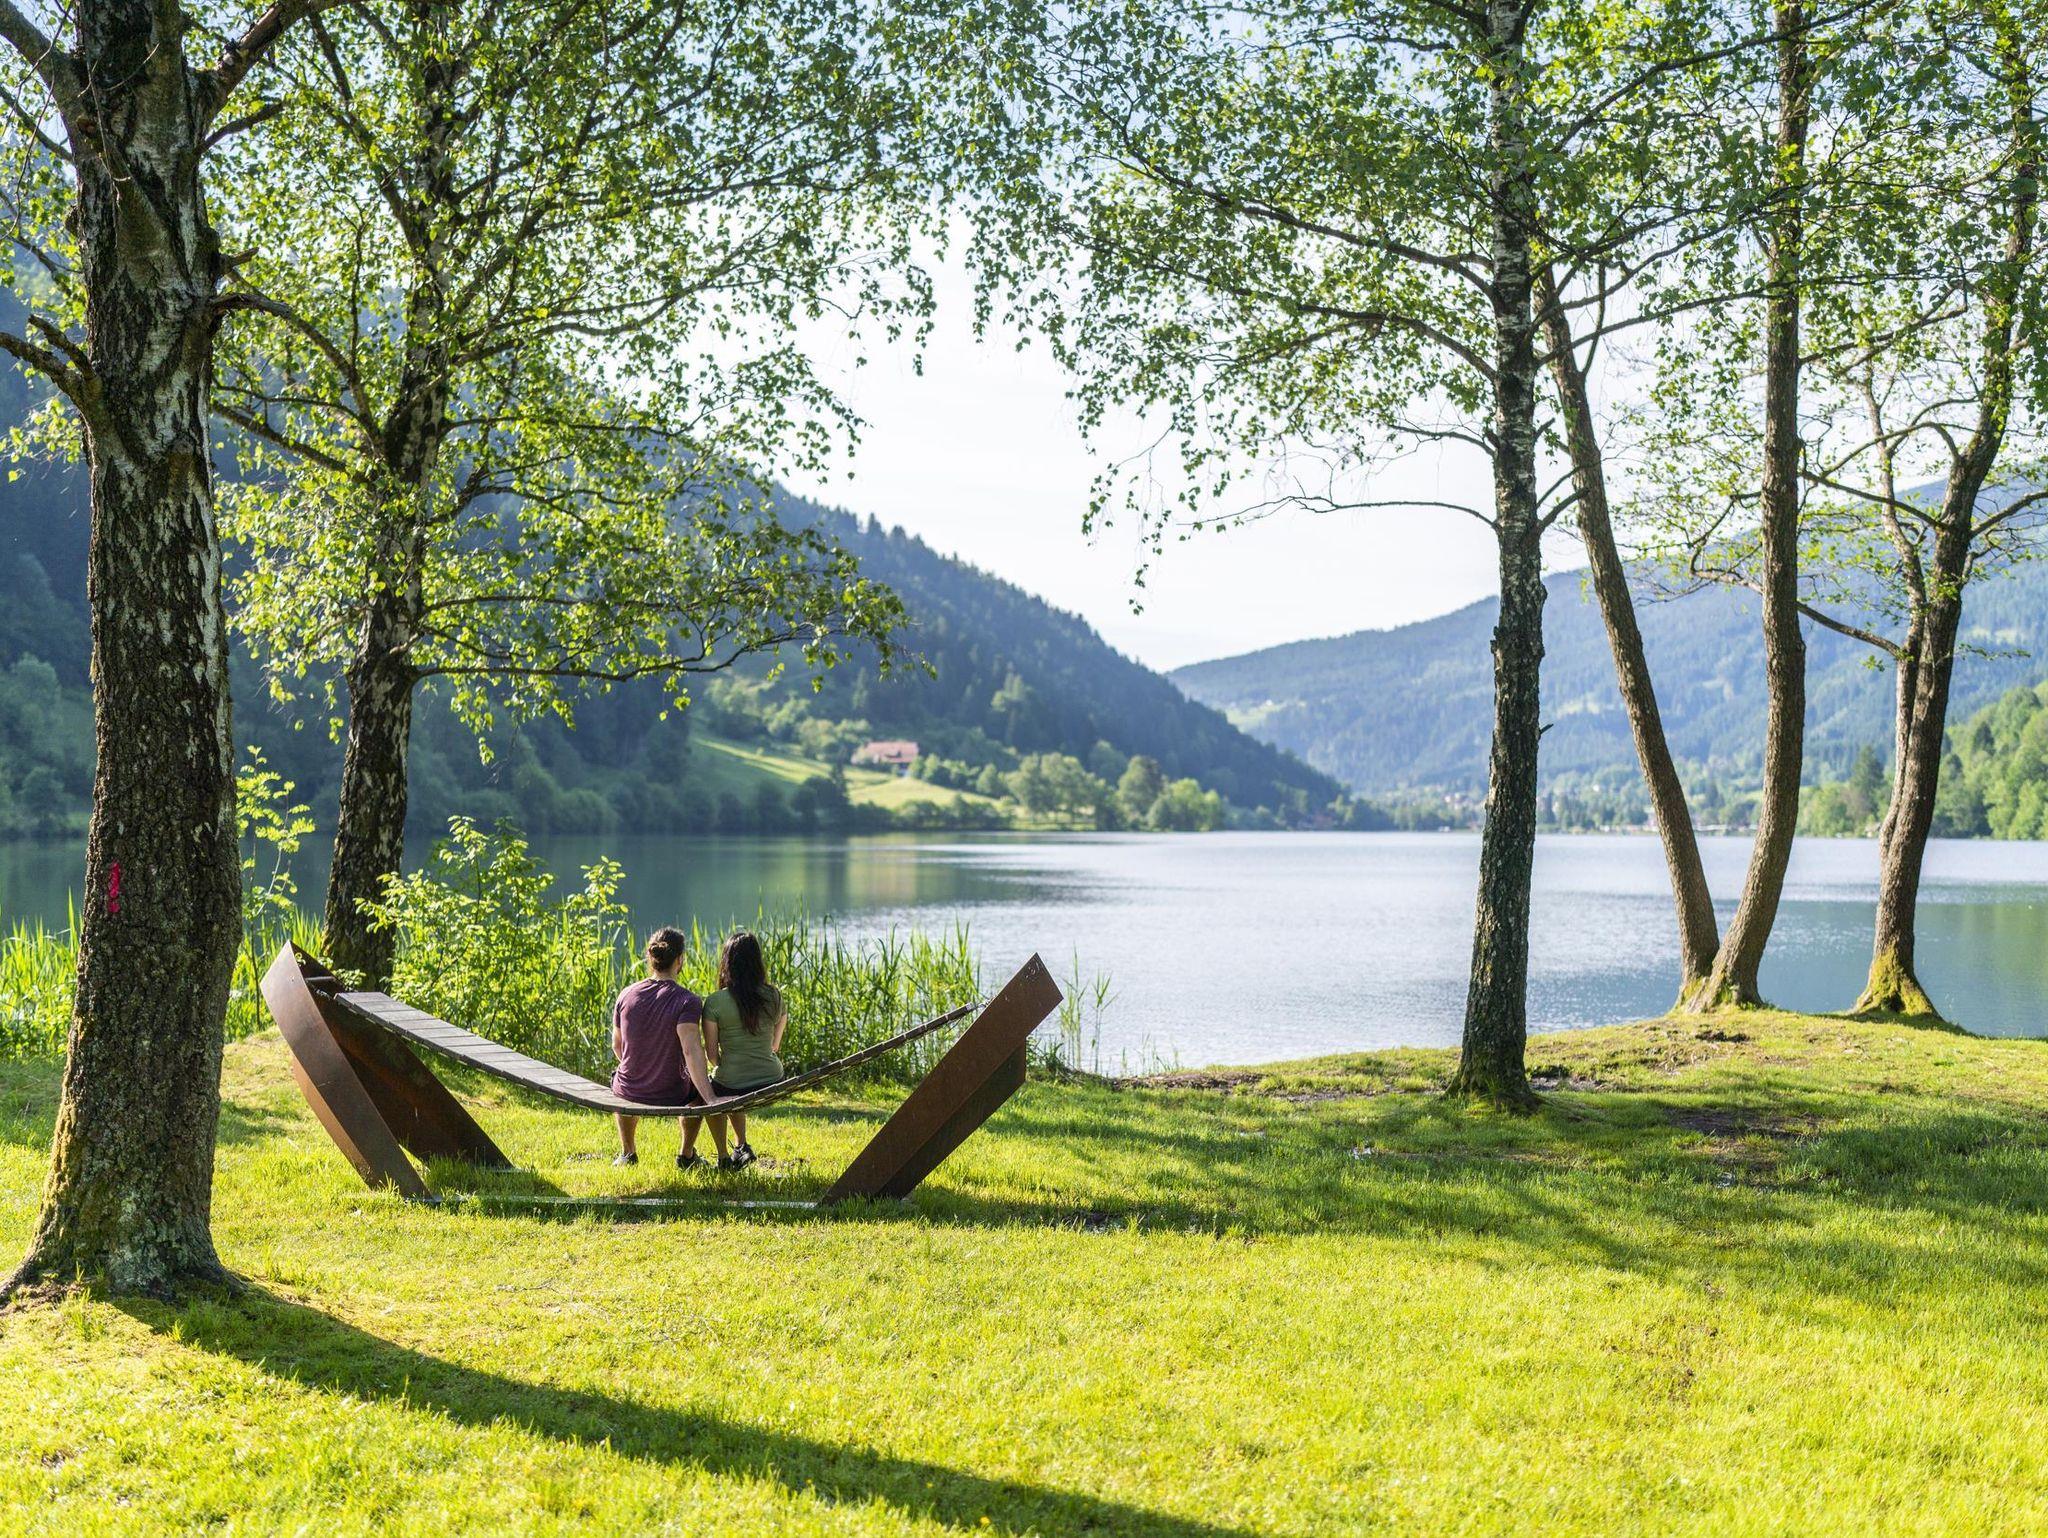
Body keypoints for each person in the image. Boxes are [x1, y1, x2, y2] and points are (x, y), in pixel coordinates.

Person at [608, 925, 727, 1168]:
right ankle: (686, 1155)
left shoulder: (626, 994)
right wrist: (710, 1097)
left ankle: (628, 1153)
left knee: (621, 1079)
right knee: (698, 1093)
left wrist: (640, 1070)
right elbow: (690, 1050)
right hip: (672, 1091)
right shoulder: (687, 1000)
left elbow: (617, 1046)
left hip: (629, 1089)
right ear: (680, 960)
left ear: (650, 957)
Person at [698, 930, 788, 1171]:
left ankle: (723, 1157)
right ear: (757, 962)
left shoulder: (715, 1002)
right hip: (773, 1078)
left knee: (712, 1092)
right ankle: (741, 1146)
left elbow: (712, 1057)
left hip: (733, 1083)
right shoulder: (774, 996)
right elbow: (775, 1046)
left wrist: (730, 1065)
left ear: (727, 963)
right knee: (731, 1088)